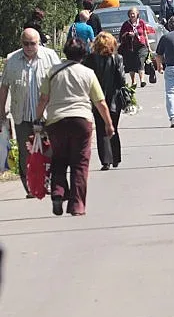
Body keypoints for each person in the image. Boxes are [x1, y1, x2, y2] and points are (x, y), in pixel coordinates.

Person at [34, 38, 115, 216]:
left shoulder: (52, 72)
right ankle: (77, 205)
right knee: (80, 163)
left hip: (56, 121)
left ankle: (57, 192)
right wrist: (108, 124)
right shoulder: (88, 73)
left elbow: (43, 99)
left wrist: (37, 119)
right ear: (83, 54)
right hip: (81, 121)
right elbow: (100, 102)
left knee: (59, 159)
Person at [0, 29, 61, 197]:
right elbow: (4, 86)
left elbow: (60, 82)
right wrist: (1, 112)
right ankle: (31, 188)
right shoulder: (12, 59)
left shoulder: (49, 57)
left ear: (39, 42)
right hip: (22, 115)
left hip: (47, 115)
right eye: (25, 43)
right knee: (26, 154)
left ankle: (47, 183)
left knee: (48, 151)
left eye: (32, 43)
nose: (28, 47)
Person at [84, 32, 127, 170]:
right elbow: (121, 80)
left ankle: (106, 160)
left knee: (101, 129)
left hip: (97, 99)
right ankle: (115, 157)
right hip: (114, 99)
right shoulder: (117, 58)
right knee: (113, 126)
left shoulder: (90, 59)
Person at [119, 7, 150, 87]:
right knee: (131, 64)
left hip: (141, 45)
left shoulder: (141, 23)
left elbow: (145, 34)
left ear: (137, 14)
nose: (132, 15)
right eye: (131, 13)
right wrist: (128, 34)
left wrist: (148, 46)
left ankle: (142, 80)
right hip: (129, 46)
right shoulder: (126, 24)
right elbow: (121, 35)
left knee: (140, 61)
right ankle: (133, 81)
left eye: (134, 13)